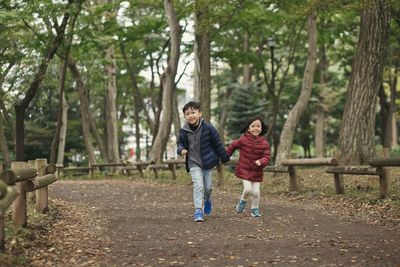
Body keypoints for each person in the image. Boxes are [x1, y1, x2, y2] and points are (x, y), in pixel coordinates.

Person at [177, 101, 230, 222]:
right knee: (198, 185)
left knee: (208, 188)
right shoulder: (183, 130)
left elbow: (218, 144)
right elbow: (179, 143)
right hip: (193, 162)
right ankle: (198, 211)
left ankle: (207, 199)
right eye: (187, 114)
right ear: (185, 116)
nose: (191, 115)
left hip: (207, 162)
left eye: (193, 112)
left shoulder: (208, 128)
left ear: (200, 113)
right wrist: (181, 150)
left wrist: (225, 157)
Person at [226, 116, 271, 218]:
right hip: (244, 170)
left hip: (257, 171)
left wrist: (261, 161)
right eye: (253, 126)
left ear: (261, 128)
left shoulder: (264, 143)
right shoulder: (243, 140)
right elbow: (233, 145)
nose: (256, 128)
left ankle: (254, 208)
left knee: (256, 192)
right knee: (247, 189)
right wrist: (226, 155)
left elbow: (267, 156)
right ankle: (242, 201)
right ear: (248, 128)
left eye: (258, 126)